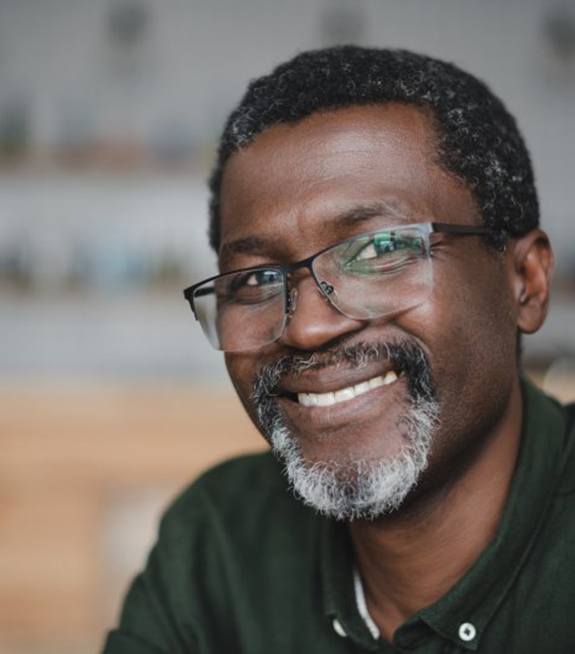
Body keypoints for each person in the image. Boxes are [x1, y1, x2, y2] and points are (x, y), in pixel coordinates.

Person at [103, 46, 575, 653]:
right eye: (255, 280)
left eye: (378, 251)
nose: (308, 329)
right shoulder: (218, 541)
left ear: (525, 282)